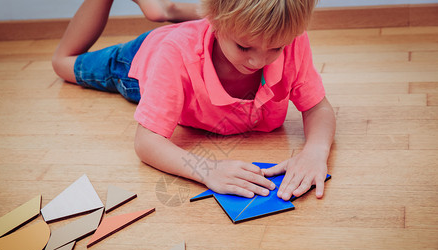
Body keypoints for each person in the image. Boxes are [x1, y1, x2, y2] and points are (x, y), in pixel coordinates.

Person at [52, 0, 336, 201]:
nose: (257, 60)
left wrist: (315, 151)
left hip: (202, 31)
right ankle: (162, 9)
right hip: (145, 56)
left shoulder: (292, 39)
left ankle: (168, 8)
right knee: (63, 64)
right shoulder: (173, 54)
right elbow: (146, 142)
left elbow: (317, 107)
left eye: (275, 48)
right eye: (243, 46)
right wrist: (206, 169)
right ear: (216, 21)